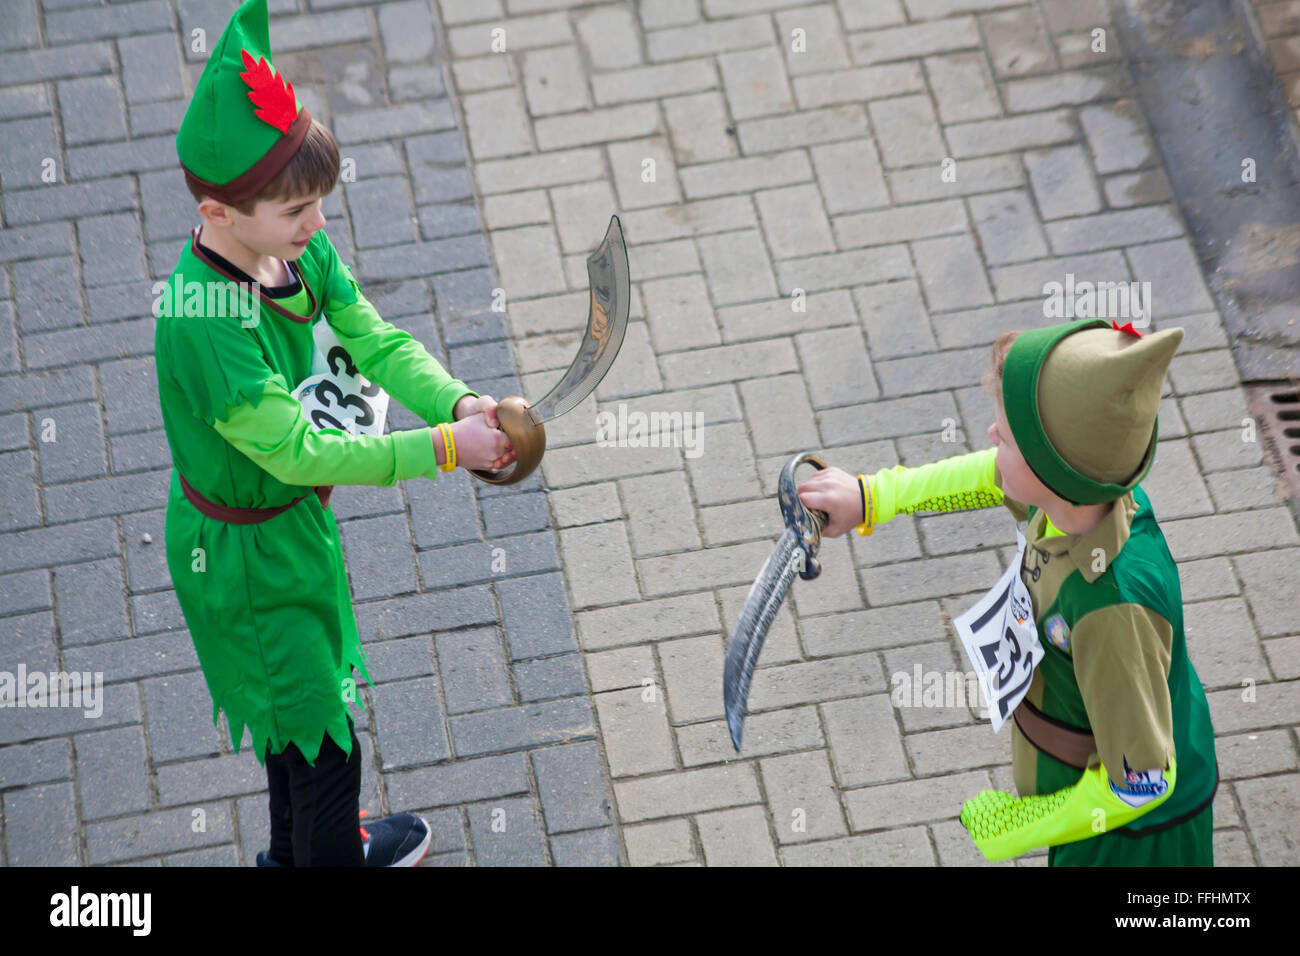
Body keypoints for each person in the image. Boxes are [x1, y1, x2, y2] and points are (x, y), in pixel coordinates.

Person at [155, 0, 512, 866]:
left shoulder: (297, 251)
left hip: (287, 533)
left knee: (298, 735)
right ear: (218, 214)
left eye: (319, 203)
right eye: (295, 210)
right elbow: (300, 451)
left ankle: (297, 859)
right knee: (325, 752)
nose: (317, 226)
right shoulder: (202, 322)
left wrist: (456, 404)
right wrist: (439, 451)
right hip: (243, 561)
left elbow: (374, 340)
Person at [797, 318, 1218, 865]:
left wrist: (1027, 825)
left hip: (1132, 843)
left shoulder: (1112, 610)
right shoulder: (1081, 496)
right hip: (1088, 811)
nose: (993, 436)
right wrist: (874, 496)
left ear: (1051, 470)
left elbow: (1142, 783)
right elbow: (992, 474)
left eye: (1008, 434)